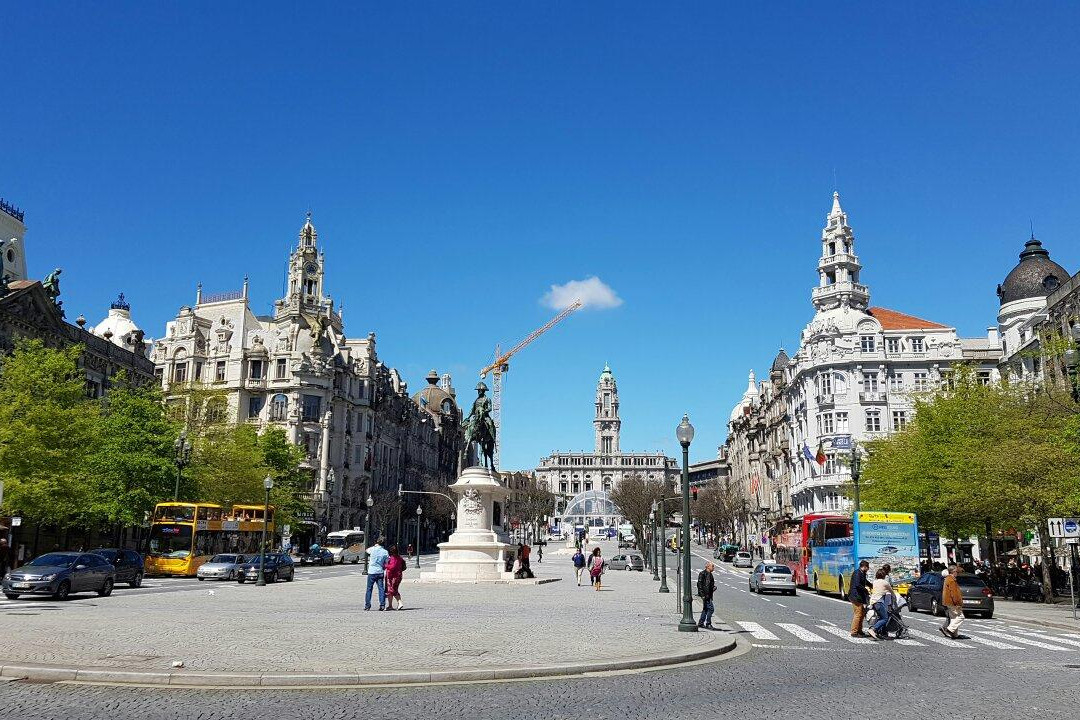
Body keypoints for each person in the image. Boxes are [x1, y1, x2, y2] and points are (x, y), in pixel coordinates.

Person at [868, 568, 896, 639]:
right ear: (884, 575)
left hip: (873, 602)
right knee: (885, 618)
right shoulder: (885, 583)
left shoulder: (875, 582)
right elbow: (892, 592)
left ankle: (881, 633)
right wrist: (894, 600)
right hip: (879, 602)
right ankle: (873, 629)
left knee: (880, 617)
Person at [364, 536, 389, 611]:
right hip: (380, 571)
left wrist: (374, 545)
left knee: (369, 589)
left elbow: (366, 550)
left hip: (371, 571)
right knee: (381, 589)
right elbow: (387, 561)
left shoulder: (372, 549)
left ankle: (367, 605)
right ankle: (382, 605)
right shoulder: (385, 552)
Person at [941, 563, 965, 639]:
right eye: (956, 572)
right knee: (961, 617)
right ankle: (950, 629)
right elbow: (954, 593)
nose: (957, 573)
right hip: (953, 602)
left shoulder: (947, 579)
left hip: (948, 602)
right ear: (953, 572)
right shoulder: (951, 580)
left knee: (954, 618)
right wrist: (957, 603)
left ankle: (955, 634)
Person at [848, 560, 871, 637]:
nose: (868, 569)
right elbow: (857, 585)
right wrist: (866, 590)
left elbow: (865, 581)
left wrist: (871, 585)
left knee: (861, 614)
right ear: (864, 567)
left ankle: (859, 630)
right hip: (855, 596)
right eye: (867, 567)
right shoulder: (857, 573)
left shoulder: (862, 573)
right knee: (858, 614)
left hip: (858, 596)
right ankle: (854, 632)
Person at [384, 545, 405, 610]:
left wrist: (386, 565)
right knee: (390, 591)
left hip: (393, 576)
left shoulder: (393, 558)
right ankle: (390, 605)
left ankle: (400, 602)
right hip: (398, 575)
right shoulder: (399, 558)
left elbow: (392, 567)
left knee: (392, 590)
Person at [697, 562, 717, 629]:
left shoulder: (710, 574)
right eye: (712, 566)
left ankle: (701, 623)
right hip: (705, 595)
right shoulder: (702, 574)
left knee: (705, 609)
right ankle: (708, 623)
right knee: (711, 609)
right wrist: (702, 594)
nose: (713, 568)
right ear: (708, 567)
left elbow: (709, 585)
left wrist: (713, 588)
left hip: (709, 595)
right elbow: (699, 585)